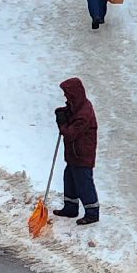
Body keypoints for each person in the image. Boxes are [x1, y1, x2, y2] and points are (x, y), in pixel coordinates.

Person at [52, 77, 98, 226]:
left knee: (84, 183)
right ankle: (70, 208)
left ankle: (92, 213)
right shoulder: (77, 106)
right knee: (69, 180)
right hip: (73, 154)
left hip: (82, 155)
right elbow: (70, 112)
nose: (65, 96)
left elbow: (71, 133)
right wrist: (63, 112)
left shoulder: (84, 113)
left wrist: (62, 123)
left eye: (67, 94)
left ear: (75, 94)